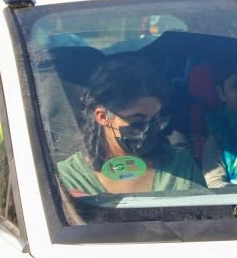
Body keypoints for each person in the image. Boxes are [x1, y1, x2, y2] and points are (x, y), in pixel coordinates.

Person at [57, 54, 204, 196]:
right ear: (102, 117)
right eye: (137, 120)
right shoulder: (69, 177)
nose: (148, 129)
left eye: (155, 119)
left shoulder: (180, 166)